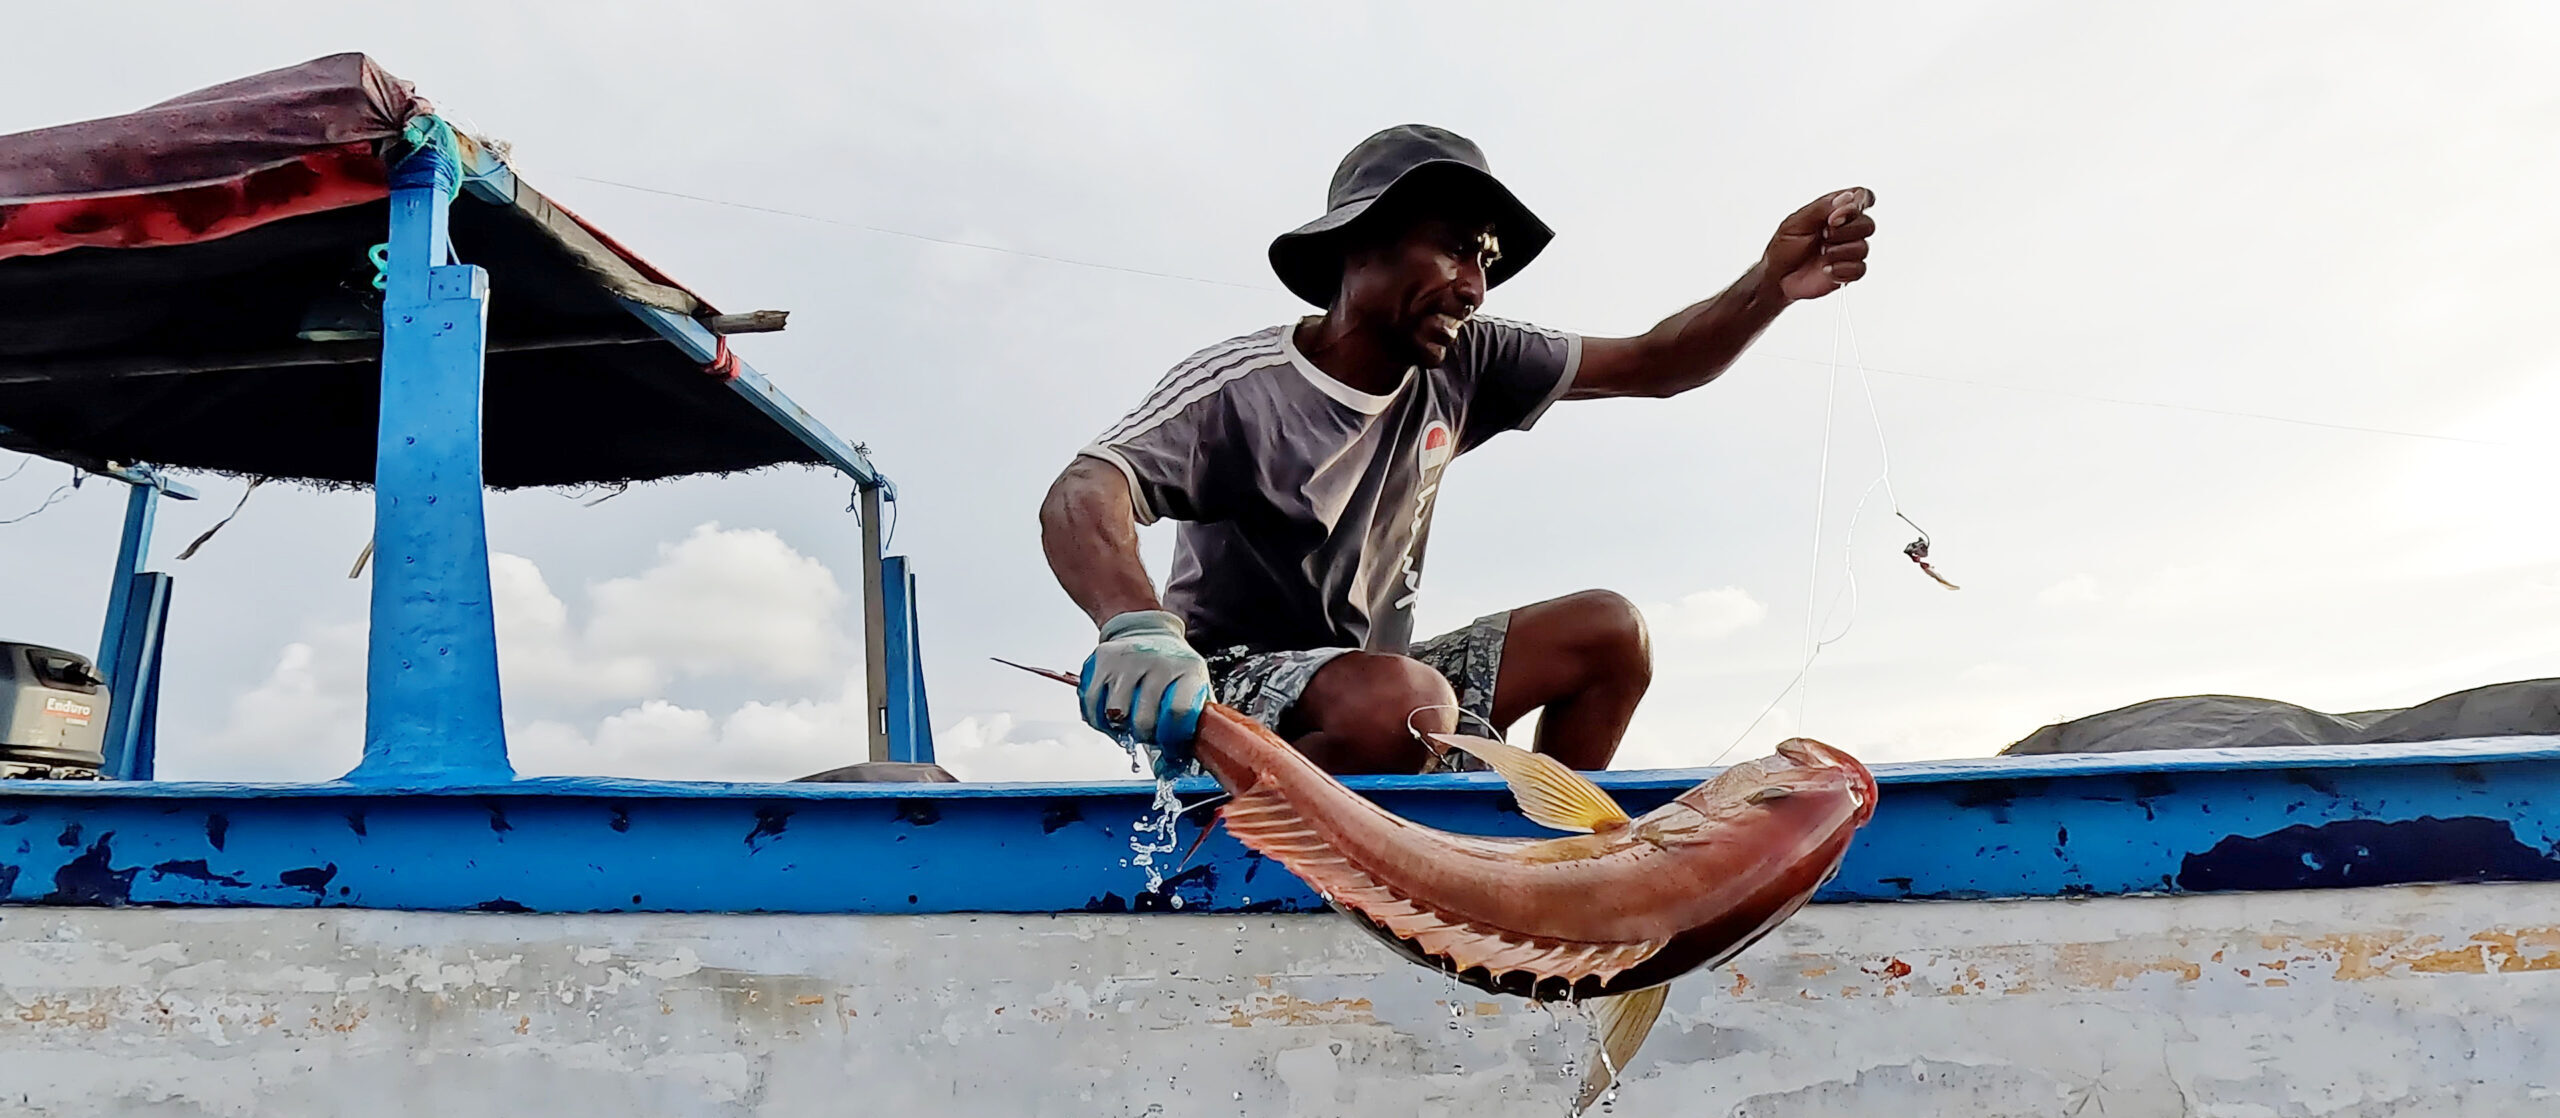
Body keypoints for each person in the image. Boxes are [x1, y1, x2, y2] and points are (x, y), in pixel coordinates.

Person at [1040, 124, 1874, 775]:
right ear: (1354, 245)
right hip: (1230, 694)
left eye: (1484, 259)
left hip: (1390, 686)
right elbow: (1088, 488)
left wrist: (1769, 286)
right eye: (1452, 249)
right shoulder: (1244, 389)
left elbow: (1654, 364)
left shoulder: (1472, 359)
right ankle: (1252, 840)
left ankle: (1544, 864)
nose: (1473, 287)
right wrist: (1135, 627)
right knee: (1404, 708)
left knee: (1609, 634)